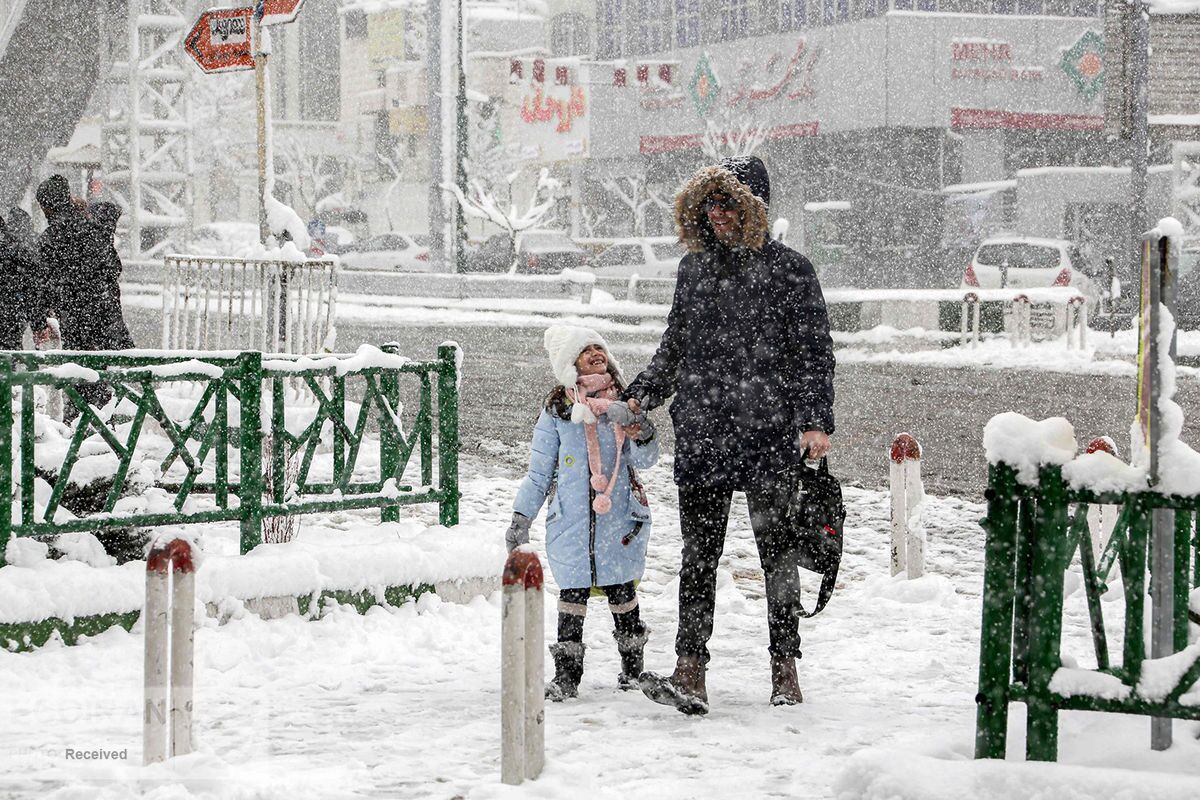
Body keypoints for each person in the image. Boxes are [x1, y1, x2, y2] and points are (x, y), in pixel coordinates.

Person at [623, 156, 836, 715]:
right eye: (709, 205)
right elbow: (674, 347)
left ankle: (784, 666)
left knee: (777, 556)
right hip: (704, 433)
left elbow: (814, 354)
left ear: (753, 210)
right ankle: (689, 668)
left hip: (769, 434)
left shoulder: (792, 270)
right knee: (699, 556)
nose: (717, 215)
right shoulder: (693, 271)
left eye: (728, 205)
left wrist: (816, 421)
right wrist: (642, 393)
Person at [507, 324, 660, 701]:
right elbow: (540, 471)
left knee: (622, 592)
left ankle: (632, 670)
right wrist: (521, 516)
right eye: (585, 350)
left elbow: (646, 459)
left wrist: (640, 430)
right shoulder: (558, 411)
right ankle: (567, 677)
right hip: (572, 521)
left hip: (619, 517)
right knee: (572, 597)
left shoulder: (624, 403)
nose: (596, 353)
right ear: (568, 363)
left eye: (599, 347)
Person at [34, 175, 135, 417]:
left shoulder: (50, 239)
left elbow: (43, 285)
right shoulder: (94, 227)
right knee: (99, 376)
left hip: (75, 319)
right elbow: (113, 267)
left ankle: (82, 425)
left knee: (78, 376)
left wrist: (40, 318)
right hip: (104, 315)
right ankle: (101, 427)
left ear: (48, 206)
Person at [0, 209, 44, 349]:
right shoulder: (16, 248)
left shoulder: (11, 249)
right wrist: (38, 322)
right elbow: (31, 284)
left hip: (9, 312)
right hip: (10, 314)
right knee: (10, 351)